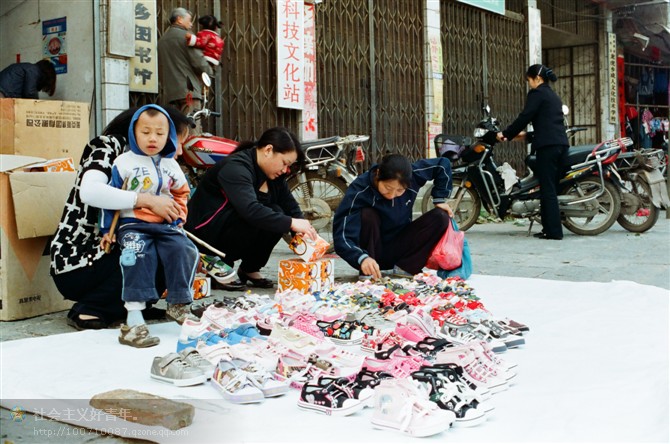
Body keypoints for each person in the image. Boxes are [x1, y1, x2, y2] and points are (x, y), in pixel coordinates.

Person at [50, 105, 192, 331]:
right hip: (81, 258)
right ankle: (90, 308)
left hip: (117, 244)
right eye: (179, 141)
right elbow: (90, 192)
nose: (179, 151)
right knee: (140, 247)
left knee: (176, 247)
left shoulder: (157, 161)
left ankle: (134, 306)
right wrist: (146, 200)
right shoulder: (107, 147)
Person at [99, 104, 199, 347]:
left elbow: (181, 193)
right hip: (132, 225)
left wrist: (178, 218)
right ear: (134, 132)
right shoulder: (123, 162)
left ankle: (179, 304)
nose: (153, 138)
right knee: (137, 256)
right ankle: (133, 321)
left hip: (166, 225)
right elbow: (109, 198)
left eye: (159, 133)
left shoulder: (171, 164)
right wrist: (105, 231)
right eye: (145, 132)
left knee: (185, 250)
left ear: (169, 136)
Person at [185, 127, 318, 289]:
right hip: (206, 234)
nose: (285, 170)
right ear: (268, 150)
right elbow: (250, 210)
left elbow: (289, 205)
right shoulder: (236, 168)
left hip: (233, 228)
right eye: (284, 163)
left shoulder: (274, 175)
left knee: (278, 213)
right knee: (269, 216)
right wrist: (291, 223)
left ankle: (249, 268)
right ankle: (216, 265)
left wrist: (304, 229)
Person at [333, 154, 454, 280]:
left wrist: (440, 198)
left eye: (400, 191)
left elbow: (442, 164)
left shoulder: (414, 175)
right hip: (370, 254)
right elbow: (342, 235)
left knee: (441, 216)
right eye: (387, 188)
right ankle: (370, 272)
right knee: (367, 215)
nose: (391, 195)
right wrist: (360, 257)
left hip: (400, 246)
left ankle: (406, 267)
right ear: (378, 174)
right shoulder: (359, 190)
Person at [496, 64, 569, 240]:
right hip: (560, 145)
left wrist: (506, 133)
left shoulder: (537, 94)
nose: (529, 84)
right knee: (549, 188)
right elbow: (547, 123)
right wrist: (527, 136)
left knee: (547, 189)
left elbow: (525, 116)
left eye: (529, 80)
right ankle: (548, 228)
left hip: (548, 148)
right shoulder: (553, 96)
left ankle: (554, 232)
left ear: (537, 78)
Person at [158, 8, 213, 120]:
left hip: (171, 92)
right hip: (189, 91)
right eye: (189, 20)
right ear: (179, 19)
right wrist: (210, 70)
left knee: (178, 130)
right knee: (191, 128)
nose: (191, 24)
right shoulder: (186, 37)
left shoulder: (163, 40)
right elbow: (199, 63)